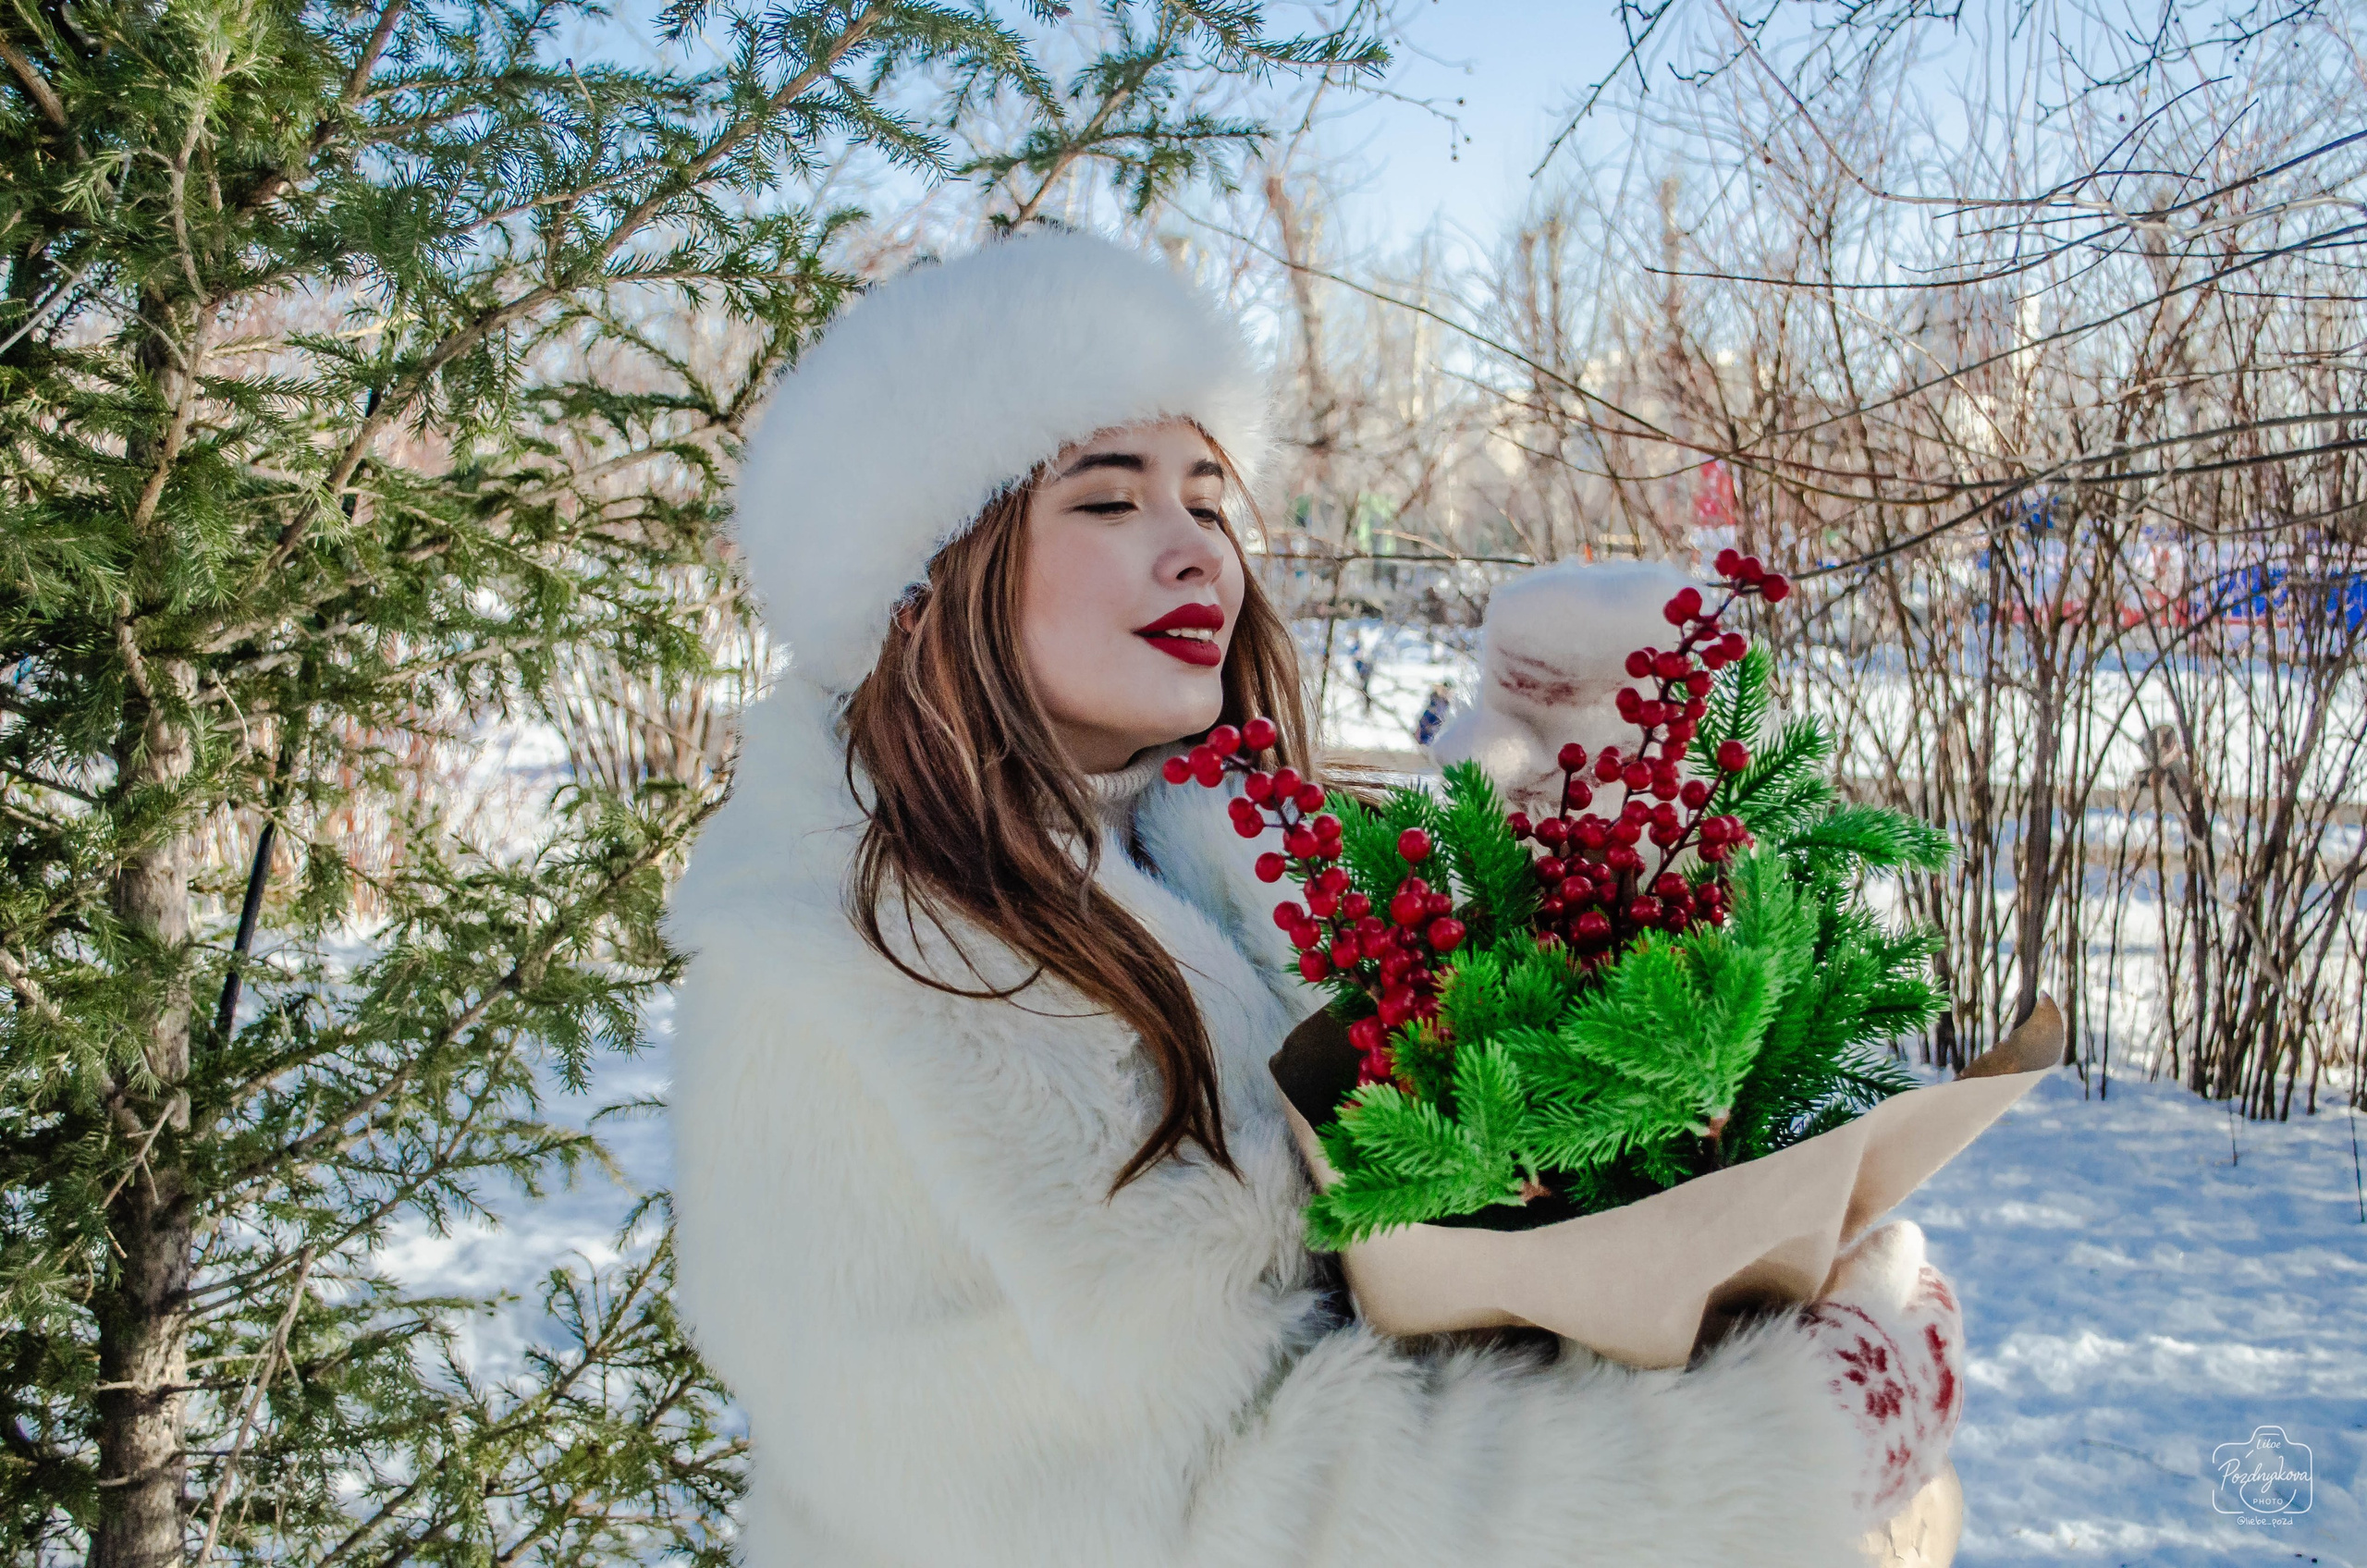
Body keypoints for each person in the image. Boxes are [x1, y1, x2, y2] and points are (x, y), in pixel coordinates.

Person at [662, 231, 1964, 1568]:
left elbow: (1466, 1173)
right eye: (1110, 503)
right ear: (929, 582)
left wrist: (1587, 831)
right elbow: (1224, 1508)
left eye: (1210, 501)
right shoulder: (848, 987)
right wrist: (1776, 1438)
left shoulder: (1189, 853)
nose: (1196, 556)